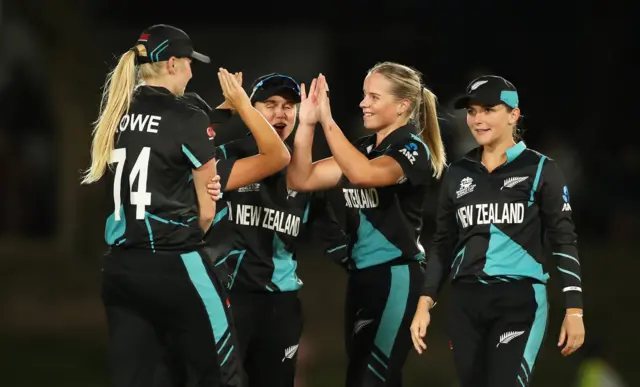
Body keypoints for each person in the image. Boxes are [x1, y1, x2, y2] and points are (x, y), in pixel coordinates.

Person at [81, 23, 283, 387]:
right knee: (223, 374)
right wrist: (241, 106)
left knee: (142, 378)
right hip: (176, 261)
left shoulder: (117, 110)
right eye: (189, 62)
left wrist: (227, 109)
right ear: (172, 64)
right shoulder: (186, 117)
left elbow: (174, 132)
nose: (193, 70)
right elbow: (209, 205)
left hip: (120, 269)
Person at [410, 75, 586, 387]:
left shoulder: (541, 169)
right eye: (472, 111)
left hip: (519, 299)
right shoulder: (457, 173)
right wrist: (425, 301)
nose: (477, 120)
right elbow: (443, 243)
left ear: (513, 114)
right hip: (465, 301)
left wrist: (574, 310)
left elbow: (563, 239)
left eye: (488, 109)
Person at [287, 62, 447, 387]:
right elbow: (301, 178)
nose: (363, 103)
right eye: (364, 95)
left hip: (396, 275)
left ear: (402, 105)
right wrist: (306, 124)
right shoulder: (362, 148)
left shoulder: (413, 149)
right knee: (367, 376)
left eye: (374, 97)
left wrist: (328, 121)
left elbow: (366, 174)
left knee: (370, 377)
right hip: (363, 277)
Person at [200, 73, 347, 387]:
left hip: (281, 305)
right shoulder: (227, 156)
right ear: (250, 109)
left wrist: (376, 266)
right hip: (229, 298)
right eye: (270, 105)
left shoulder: (302, 171)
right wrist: (224, 111)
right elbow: (184, 146)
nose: (281, 113)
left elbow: (332, 237)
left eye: (289, 106)